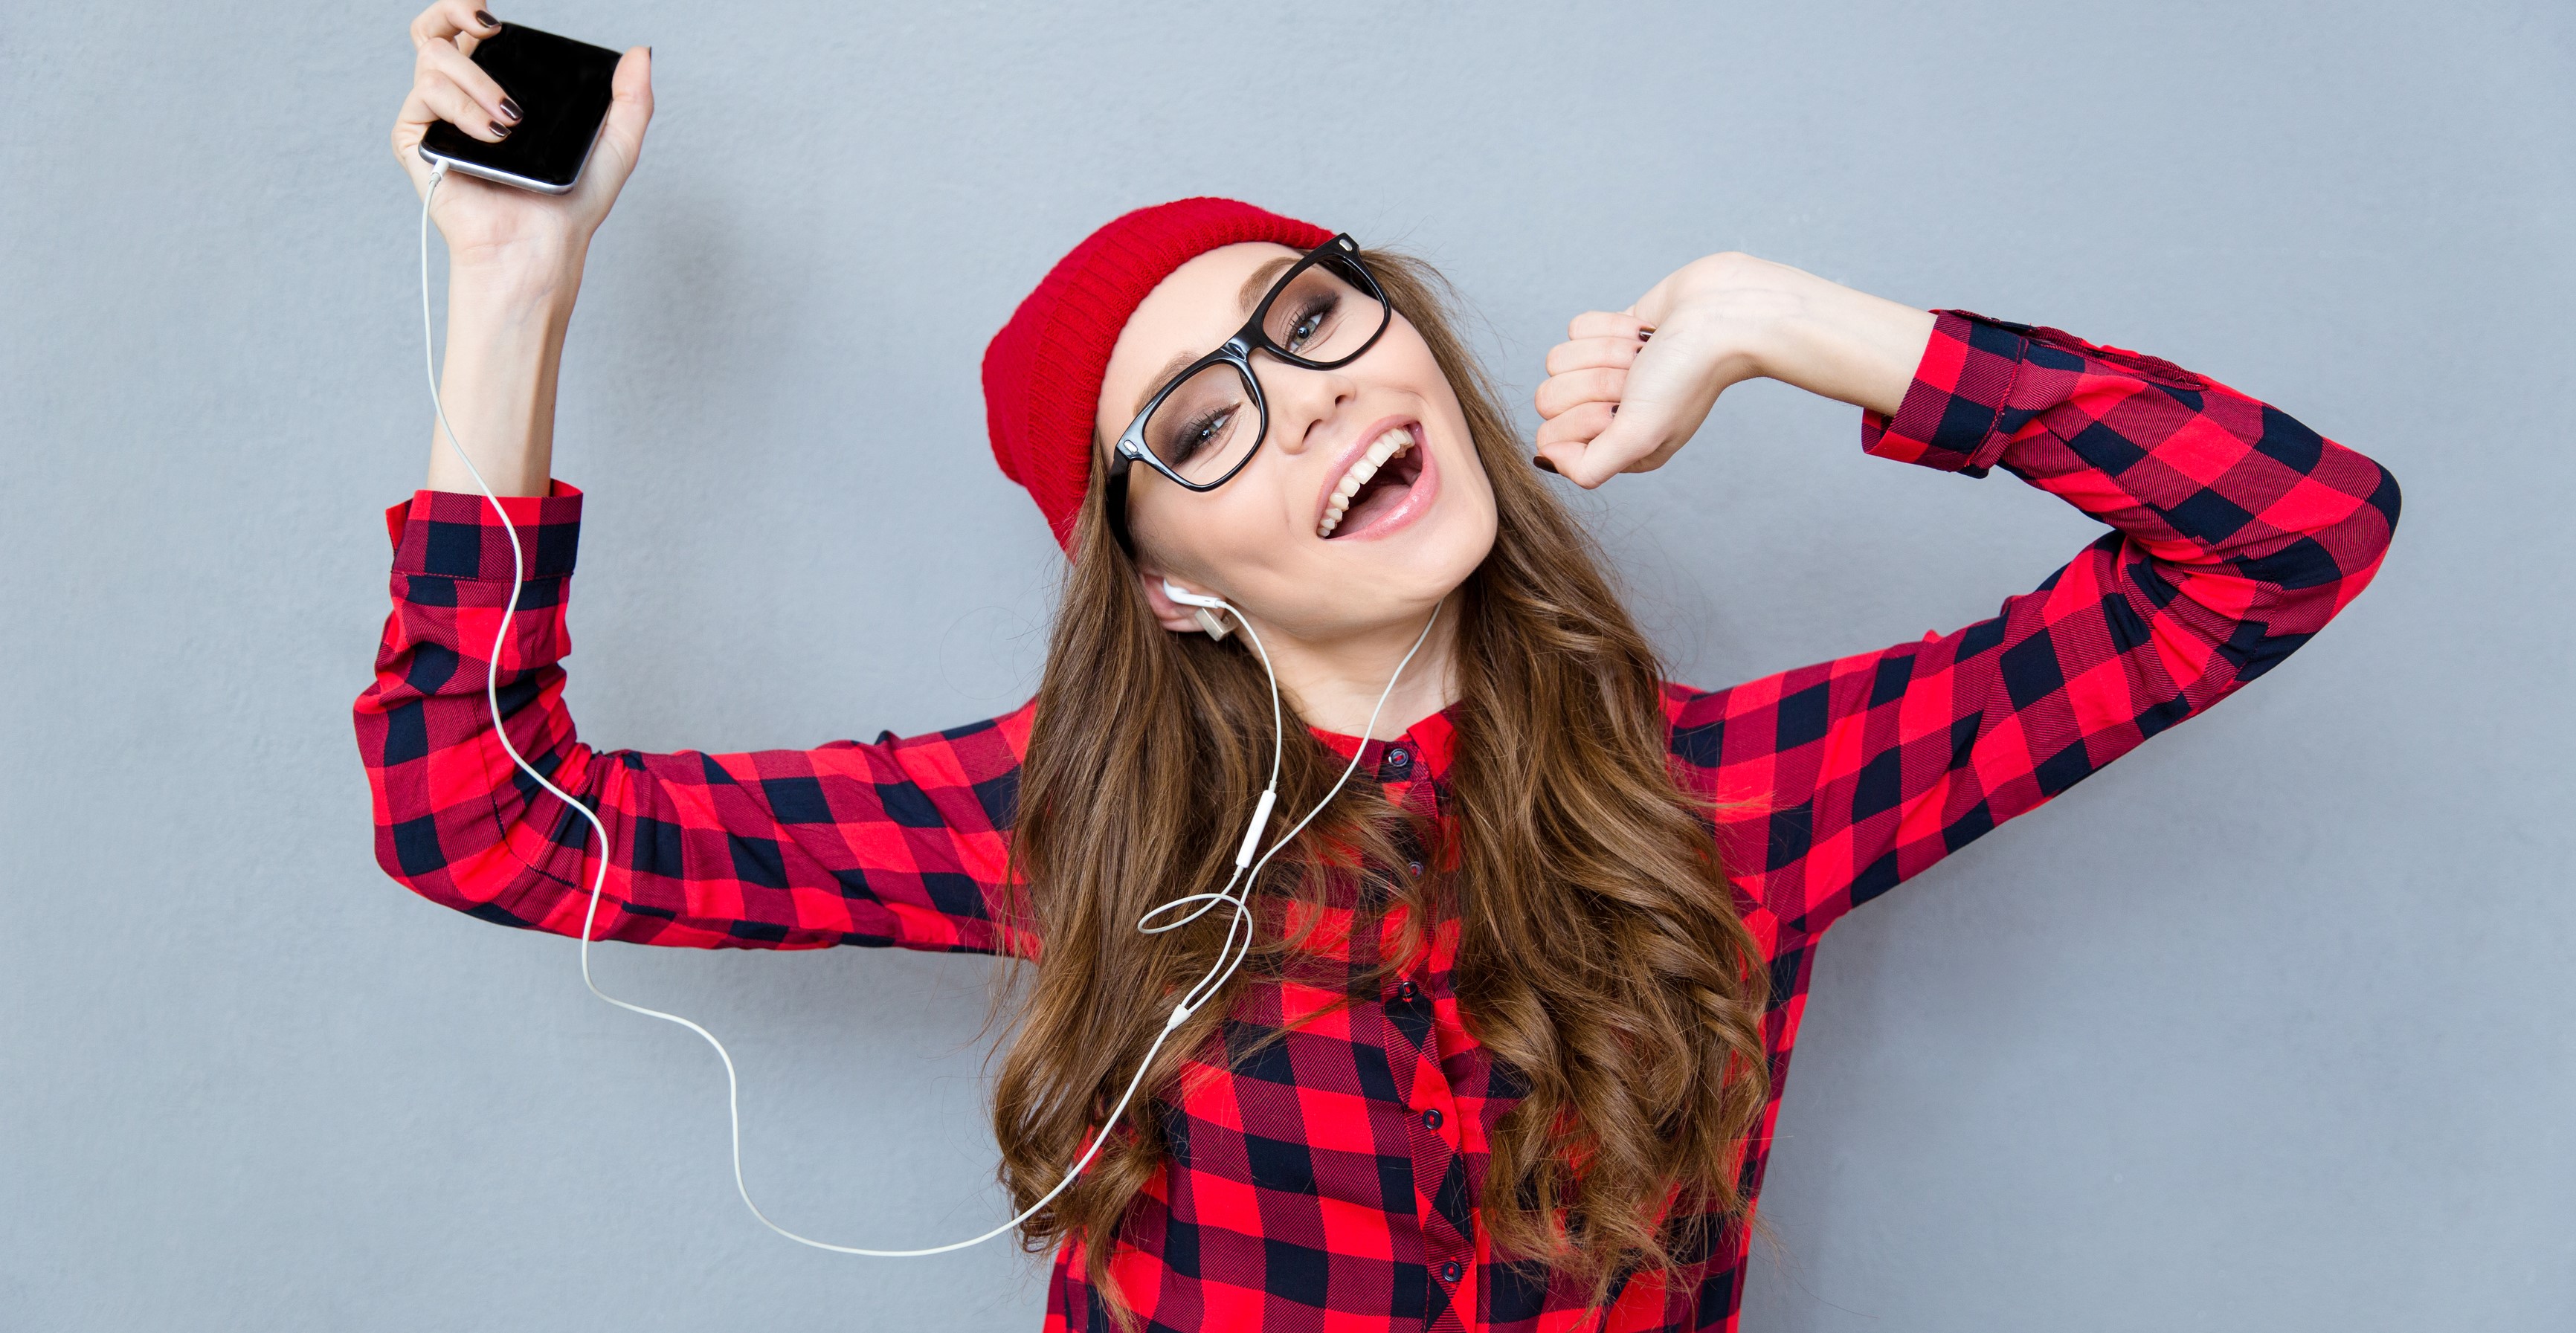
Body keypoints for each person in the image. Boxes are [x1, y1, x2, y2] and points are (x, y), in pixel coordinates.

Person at [359, 7, 2401, 1331]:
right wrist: (510, 290)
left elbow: (2291, 533)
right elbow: (479, 819)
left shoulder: (1734, 798)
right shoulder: (1070, 819)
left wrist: (1798, 321)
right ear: (1165, 585)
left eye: (1312, 316)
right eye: (1204, 420)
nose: (1310, 399)